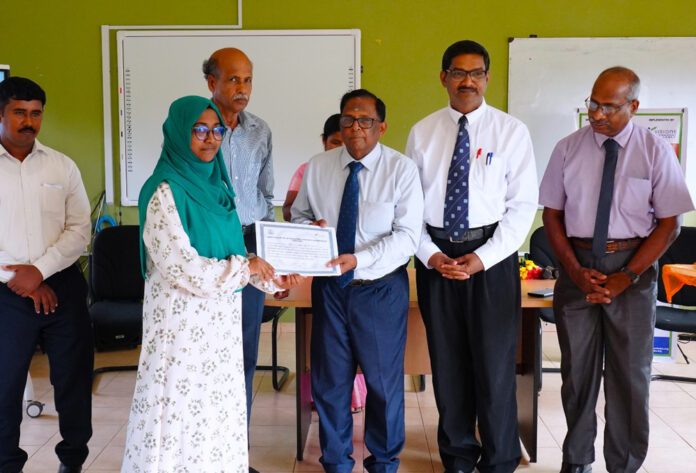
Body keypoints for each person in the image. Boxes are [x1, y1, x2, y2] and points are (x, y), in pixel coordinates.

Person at [121, 96, 299, 472]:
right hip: (181, 328)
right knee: (178, 414)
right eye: (199, 130)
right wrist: (248, 268)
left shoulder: (221, 191)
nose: (211, 138)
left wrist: (273, 278)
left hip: (220, 329)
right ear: (177, 133)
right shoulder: (163, 191)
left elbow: (235, 256)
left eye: (217, 130)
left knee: (214, 413)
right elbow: (183, 268)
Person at [539, 67, 694, 473]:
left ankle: (623, 465)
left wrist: (629, 275)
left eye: (609, 107)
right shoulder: (567, 148)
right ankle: (576, 461)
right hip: (578, 268)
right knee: (577, 375)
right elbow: (551, 215)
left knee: (629, 377)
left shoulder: (654, 151)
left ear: (634, 106)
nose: (597, 114)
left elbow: (670, 224)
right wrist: (573, 269)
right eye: (593, 103)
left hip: (633, 270)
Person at [406, 40, 538, 473]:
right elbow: (408, 208)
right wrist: (430, 256)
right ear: (443, 77)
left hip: (492, 260)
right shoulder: (422, 133)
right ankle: (459, 457)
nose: (468, 81)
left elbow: (522, 207)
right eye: (459, 73)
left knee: (494, 364)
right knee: (447, 364)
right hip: (437, 260)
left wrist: (484, 257)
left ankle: (499, 459)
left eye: (476, 73)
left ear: (487, 78)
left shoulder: (511, 132)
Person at [292, 89, 424, 473]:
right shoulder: (319, 166)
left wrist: (359, 260)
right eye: (348, 119)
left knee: (383, 386)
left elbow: (407, 237)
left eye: (365, 120)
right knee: (330, 383)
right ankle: (336, 462)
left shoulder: (401, 170)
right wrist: (310, 228)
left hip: (379, 289)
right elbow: (299, 214)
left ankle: (382, 463)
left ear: (381, 126)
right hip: (330, 288)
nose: (356, 128)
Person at [0, 77, 93, 473]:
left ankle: (73, 461)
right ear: (1, 114)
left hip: (62, 286)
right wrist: (19, 278)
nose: (29, 121)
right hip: (5, 293)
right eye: (19, 112)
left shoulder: (62, 165)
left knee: (73, 382)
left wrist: (39, 271)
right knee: (4, 386)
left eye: (36, 113)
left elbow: (80, 229)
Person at [282, 113, 343, 221]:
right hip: (318, 230)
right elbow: (287, 212)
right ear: (324, 141)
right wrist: (312, 222)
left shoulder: (357, 171)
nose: (341, 148)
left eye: (347, 144)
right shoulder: (308, 169)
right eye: (335, 143)